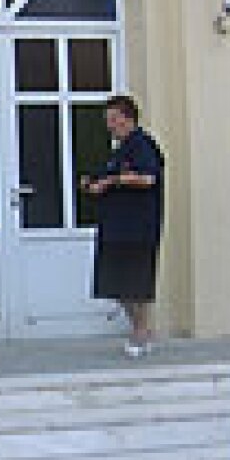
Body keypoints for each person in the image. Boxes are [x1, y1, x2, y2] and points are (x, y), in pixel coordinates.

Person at [80, 95, 166, 358]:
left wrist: (113, 181)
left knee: (135, 285)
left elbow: (148, 178)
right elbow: (110, 178)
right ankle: (142, 331)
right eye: (108, 119)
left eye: (113, 119)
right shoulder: (120, 149)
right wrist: (94, 185)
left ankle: (141, 334)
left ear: (128, 118)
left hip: (137, 230)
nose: (109, 125)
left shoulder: (142, 145)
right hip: (116, 228)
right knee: (116, 285)